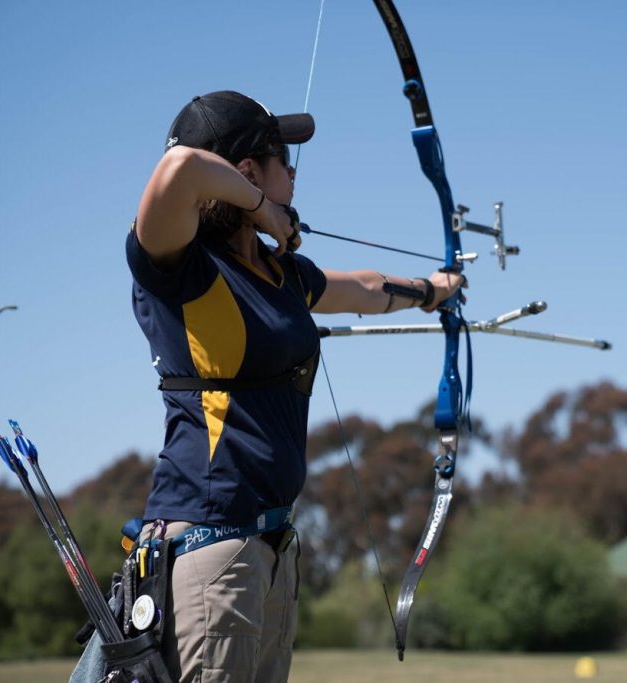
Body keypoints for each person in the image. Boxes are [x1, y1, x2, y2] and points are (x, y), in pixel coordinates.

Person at [126, 90, 464, 683]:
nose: (294, 173)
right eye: (284, 159)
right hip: (211, 549)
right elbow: (178, 170)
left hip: (273, 552)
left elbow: (363, 287)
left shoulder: (280, 272)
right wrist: (261, 207)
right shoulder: (179, 265)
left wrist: (435, 288)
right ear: (249, 171)